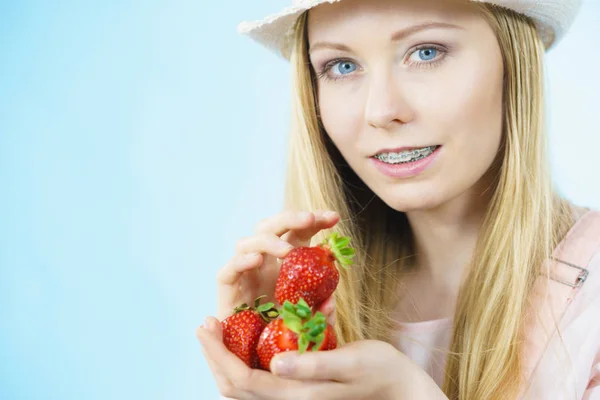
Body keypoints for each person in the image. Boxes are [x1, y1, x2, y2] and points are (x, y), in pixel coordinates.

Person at [196, 0, 600, 398]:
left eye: (426, 52)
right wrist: (274, 368)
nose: (381, 110)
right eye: (342, 66)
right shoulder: (321, 307)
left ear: (513, 63)